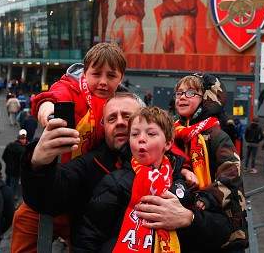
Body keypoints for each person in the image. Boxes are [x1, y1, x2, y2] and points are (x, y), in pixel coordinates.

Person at [11, 42, 126, 253]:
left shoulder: (123, 103)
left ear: (121, 77)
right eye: (96, 74)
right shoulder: (71, 87)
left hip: (89, 195)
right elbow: (51, 98)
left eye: (111, 76)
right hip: (57, 182)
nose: (102, 82)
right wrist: (48, 115)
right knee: (24, 218)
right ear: (85, 72)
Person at [75, 106, 229, 251]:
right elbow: (89, 236)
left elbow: (221, 231)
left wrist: (190, 218)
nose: (141, 139)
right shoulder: (115, 183)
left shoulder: (182, 184)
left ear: (168, 143)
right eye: (135, 134)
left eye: (151, 134)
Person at [165, 73, 247, 249]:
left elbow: (231, 174)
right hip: (187, 222)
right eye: (179, 93)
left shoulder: (217, 135)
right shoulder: (172, 132)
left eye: (191, 93)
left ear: (206, 100)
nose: (182, 98)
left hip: (221, 226)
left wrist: (206, 198)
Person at [2, 130, 28, 200]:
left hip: (8, 169)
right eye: (24, 139)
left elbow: (4, 156)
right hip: (16, 171)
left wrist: (8, 163)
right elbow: (23, 162)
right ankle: (10, 198)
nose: (25, 140)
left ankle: (4, 196)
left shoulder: (10, 145)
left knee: (7, 183)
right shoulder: (23, 150)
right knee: (13, 186)